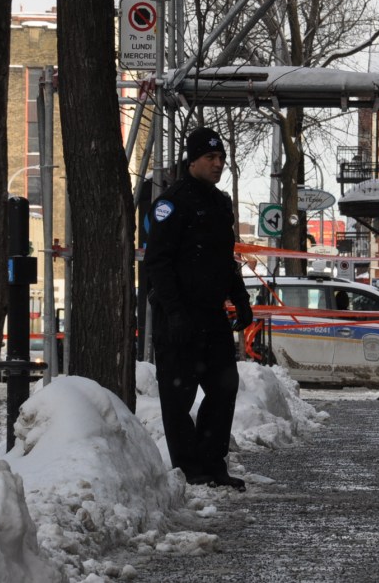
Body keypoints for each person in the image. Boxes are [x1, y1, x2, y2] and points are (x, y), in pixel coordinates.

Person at [144, 126, 253, 491]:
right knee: (179, 396)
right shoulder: (170, 203)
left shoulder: (221, 203)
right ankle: (189, 470)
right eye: (211, 158)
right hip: (178, 315)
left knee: (224, 387)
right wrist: (174, 311)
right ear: (193, 161)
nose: (218, 164)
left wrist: (241, 299)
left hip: (211, 314)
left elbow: (225, 260)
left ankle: (213, 463)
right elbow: (158, 262)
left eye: (221, 158)